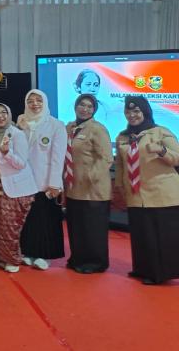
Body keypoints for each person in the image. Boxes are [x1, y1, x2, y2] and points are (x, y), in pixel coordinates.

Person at [114, 96, 179, 285]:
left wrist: (161, 151)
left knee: (161, 236)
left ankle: (160, 274)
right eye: (128, 112)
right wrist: (120, 186)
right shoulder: (122, 137)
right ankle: (142, 269)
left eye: (136, 111)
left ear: (145, 112)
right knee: (141, 234)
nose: (132, 115)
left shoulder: (160, 132)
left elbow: (177, 157)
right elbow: (120, 164)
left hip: (162, 193)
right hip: (136, 193)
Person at [17, 89, 67, 270]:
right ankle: (28, 251)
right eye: (30, 101)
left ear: (45, 102)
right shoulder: (21, 123)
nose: (34, 104)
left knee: (46, 218)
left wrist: (54, 183)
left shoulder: (56, 125)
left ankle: (45, 255)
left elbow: (58, 157)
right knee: (28, 218)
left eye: (38, 100)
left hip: (45, 181)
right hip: (24, 180)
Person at [64, 94, 114, 274]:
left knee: (93, 228)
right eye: (82, 105)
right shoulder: (69, 127)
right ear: (75, 106)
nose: (85, 109)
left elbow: (106, 158)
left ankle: (95, 262)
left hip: (93, 189)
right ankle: (78, 258)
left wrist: (90, 177)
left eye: (89, 107)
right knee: (77, 227)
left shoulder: (97, 129)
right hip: (73, 187)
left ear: (94, 110)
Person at [0, 103, 37, 273]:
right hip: (0, 186)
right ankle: (2, 258)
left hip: (17, 188)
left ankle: (13, 260)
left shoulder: (17, 134)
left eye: (4, 112)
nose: (0, 116)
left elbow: (21, 163)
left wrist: (6, 153)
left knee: (11, 227)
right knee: (1, 226)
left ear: (9, 115)